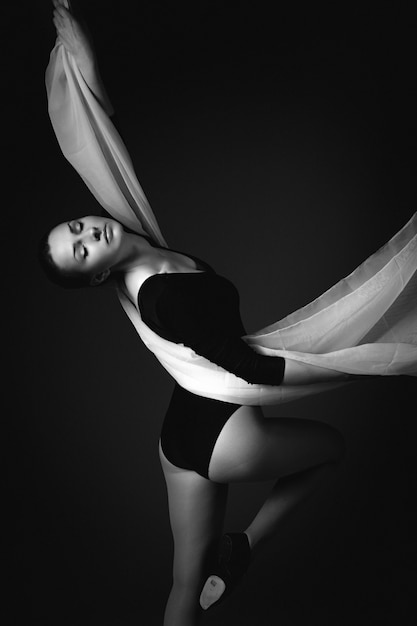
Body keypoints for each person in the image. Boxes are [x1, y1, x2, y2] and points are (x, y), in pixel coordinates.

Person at [41, 3, 416, 625]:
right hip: (224, 434)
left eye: (77, 227)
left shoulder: (136, 237)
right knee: (332, 448)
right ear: (97, 275)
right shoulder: (162, 296)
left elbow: (102, 131)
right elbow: (249, 370)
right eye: (80, 252)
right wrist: (350, 366)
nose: (89, 235)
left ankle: (226, 561)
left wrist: (76, 49)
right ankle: (244, 548)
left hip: (177, 441)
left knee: (181, 590)